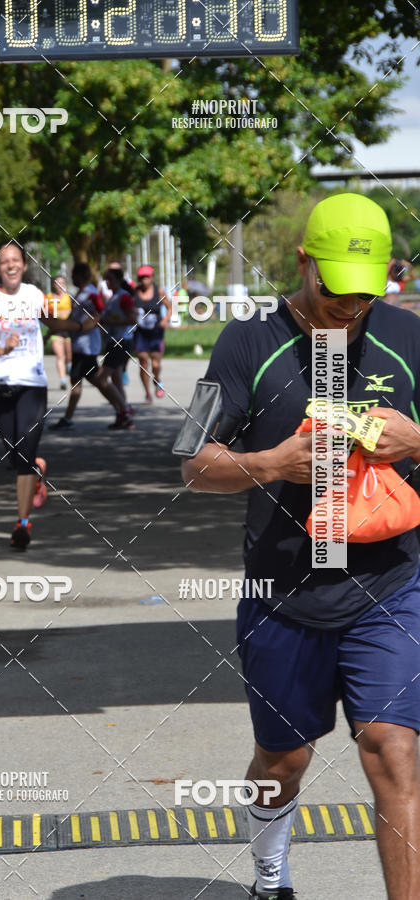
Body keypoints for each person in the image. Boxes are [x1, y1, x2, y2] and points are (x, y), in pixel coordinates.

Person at [182, 193, 420, 900]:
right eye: (337, 287)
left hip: (390, 585)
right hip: (282, 590)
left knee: (393, 750)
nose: (352, 305)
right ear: (304, 260)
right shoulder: (245, 340)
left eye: (366, 291)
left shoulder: (408, 336)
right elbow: (192, 462)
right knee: (282, 760)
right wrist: (270, 464)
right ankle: (269, 870)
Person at [0, 240, 95, 548]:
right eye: (4, 261)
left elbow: (50, 321)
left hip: (32, 383)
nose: (10, 265)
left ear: (24, 265)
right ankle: (37, 471)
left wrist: (81, 327)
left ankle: (22, 524)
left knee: (23, 451)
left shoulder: (34, 295)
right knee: (14, 454)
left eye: (15, 260)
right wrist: (3, 348)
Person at [50, 262, 133, 430]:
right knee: (90, 380)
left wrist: (84, 327)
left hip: (87, 345)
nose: (72, 278)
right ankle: (121, 411)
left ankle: (123, 410)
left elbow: (98, 315)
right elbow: (77, 317)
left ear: (81, 276)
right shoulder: (81, 294)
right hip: (82, 344)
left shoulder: (92, 294)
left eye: (73, 275)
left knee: (97, 380)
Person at [99, 266, 137, 427]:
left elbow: (133, 319)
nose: (107, 282)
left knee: (101, 378)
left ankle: (125, 410)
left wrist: (109, 322)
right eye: (105, 279)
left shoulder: (124, 297)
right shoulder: (112, 298)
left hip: (122, 341)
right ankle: (123, 417)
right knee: (117, 380)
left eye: (110, 279)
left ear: (119, 280)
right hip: (113, 341)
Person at [133, 264, 170, 401]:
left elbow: (169, 307)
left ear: (152, 277)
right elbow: (129, 309)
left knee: (155, 363)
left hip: (156, 331)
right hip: (140, 332)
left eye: (147, 277)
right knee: (143, 362)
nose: (145, 280)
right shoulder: (135, 292)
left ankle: (157, 379)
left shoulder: (158, 291)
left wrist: (165, 320)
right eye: (142, 277)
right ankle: (148, 393)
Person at [46, 274, 72, 389]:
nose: (60, 285)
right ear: (53, 285)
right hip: (55, 330)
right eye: (57, 283)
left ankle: (69, 366)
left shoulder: (68, 297)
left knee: (69, 356)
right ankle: (62, 380)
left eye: (62, 283)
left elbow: (73, 311)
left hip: (68, 329)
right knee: (60, 355)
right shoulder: (48, 297)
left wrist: (65, 314)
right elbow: (46, 312)